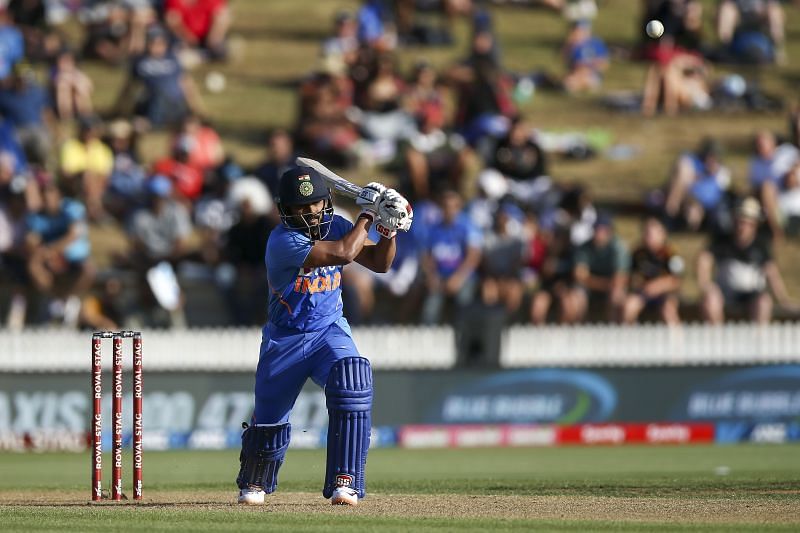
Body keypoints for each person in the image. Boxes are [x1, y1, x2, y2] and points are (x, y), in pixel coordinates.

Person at [235, 166, 412, 506]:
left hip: (329, 329)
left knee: (353, 378)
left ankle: (345, 481)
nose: (310, 213)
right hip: (284, 339)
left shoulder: (337, 225)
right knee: (269, 422)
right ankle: (255, 480)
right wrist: (368, 213)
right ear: (284, 209)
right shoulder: (282, 241)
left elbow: (379, 263)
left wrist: (389, 230)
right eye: (300, 208)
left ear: (325, 202)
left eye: (315, 204)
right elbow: (344, 253)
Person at [697, 197, 797, 324]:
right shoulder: (722, 241)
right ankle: (717, 338)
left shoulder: (761, 245)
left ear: (754, 224)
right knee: (710, 299)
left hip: (751, 294)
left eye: (746, 223)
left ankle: (759, 340)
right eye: (739, 221)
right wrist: (706, 285)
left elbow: (771, 272)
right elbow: (703, 259)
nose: (742, 227)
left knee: (764, 302)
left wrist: (783, 299)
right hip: (726, 292)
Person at [622, 217, 683, 325]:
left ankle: (677, 341)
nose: (648, 237)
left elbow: (677, 280)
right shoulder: (638, 253)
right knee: (629, 305)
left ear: (662, 234)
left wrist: (658, 286)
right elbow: (629, 276)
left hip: (665, 294)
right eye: (646, 233)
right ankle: (628, 339)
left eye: (651, 234)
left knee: (668, 310)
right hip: (644, 293)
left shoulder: (670, 253)